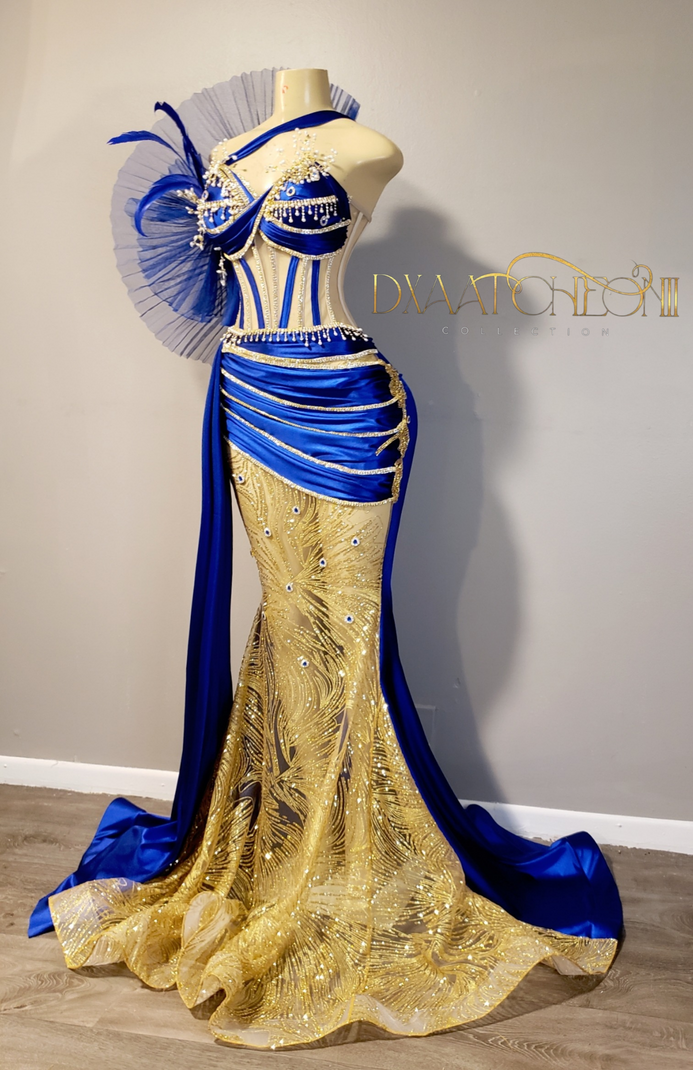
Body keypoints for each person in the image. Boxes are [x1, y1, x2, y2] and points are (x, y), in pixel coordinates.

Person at [29, 68, 622, 1049]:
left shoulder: (365, 150)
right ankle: (291, 845)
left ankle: (351, 863)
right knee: (289, 623)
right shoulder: (227, 156)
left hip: (346, 404)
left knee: (342, 636)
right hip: (247, 397)